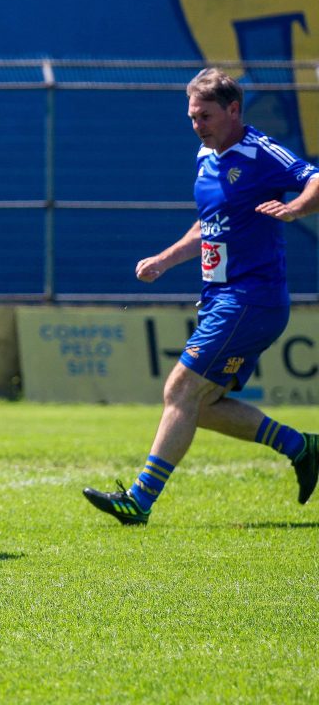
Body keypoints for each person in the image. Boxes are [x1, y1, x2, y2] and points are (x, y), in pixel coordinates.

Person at [84, 68, 319, 525]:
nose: (197, 125)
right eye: (192, 117)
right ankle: (302, 446)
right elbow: (208, 227)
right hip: (222, 298)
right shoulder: (204, 156)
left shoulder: (258, 151)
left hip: (251, 297)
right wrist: (166, 259)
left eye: (205, 116)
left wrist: (294, 208)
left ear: (234, 110)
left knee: (180, 390)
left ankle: (139, 500)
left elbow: (316, 178)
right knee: (202, 406)